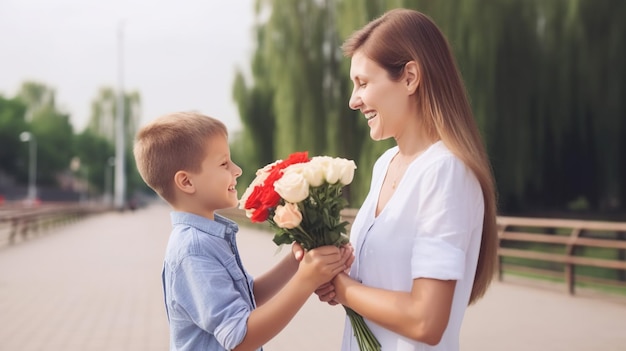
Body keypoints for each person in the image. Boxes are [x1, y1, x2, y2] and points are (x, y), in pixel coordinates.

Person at [314, 8, 499, 351]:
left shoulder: (446, 172)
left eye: (363, 83)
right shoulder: (385, 164)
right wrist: (332, 272)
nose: (353, 101)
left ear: (410, 77)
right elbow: (383, 282)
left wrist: (343, 288)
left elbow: (425, 320)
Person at [133, 111, 352, 351]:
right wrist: (305, 280)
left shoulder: (207, 238)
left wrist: (295, 262)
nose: (236, 170)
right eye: (224, 163)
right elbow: (240, 338)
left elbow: (248, 298)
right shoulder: (193, 251)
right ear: (186, 182)